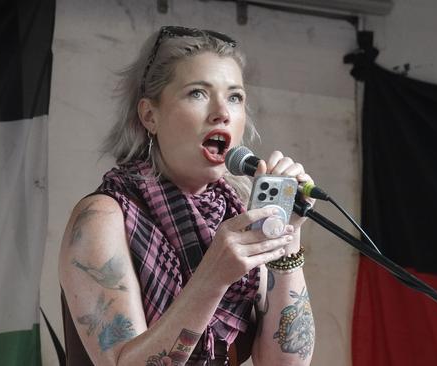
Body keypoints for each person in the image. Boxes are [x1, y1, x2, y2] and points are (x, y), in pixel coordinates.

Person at [59, 26, 315, 366]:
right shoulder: (103, 218)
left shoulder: (239, 214)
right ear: (150, 115)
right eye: (198, 93)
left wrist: (288, 238)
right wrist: (211, 278)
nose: (222, 112)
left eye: (235, 97)